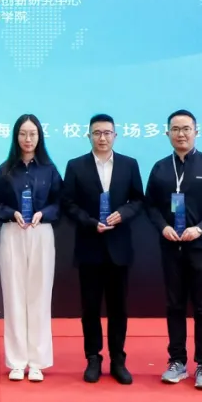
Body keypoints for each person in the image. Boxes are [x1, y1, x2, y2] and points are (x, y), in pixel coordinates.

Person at [145, 109, 202, 390]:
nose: (181, 134)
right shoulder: (160, 168)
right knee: (175, 306)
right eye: (175, 129)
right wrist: (162, 227)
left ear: (196, 131)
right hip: (171, 247)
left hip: (201, 246)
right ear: (167, 133)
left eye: (186, 129)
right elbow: (150, 205)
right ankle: (177, 361)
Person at [61, 114, 144, 385]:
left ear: (115, 136)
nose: (102, 138)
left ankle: (118, 359)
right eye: (97, 133)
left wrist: (123, 214)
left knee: (119, 307)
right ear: (88, 136)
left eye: (107, 133)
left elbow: (138, 200)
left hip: (119, 247)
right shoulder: (75, 166)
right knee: (90, 307)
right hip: (90, 246)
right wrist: (89, 222)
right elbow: (68, 203)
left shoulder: (129, 164)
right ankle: (93, 358)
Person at [0, 114, 62, 382]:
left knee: (39, 296)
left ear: (39, 136)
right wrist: (11, 213)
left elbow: (60, 202)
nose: (28, 139)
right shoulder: (5, 170)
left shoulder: (49, 169)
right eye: (23, 134)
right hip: (13, 232)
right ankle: (17, 360)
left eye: (32, 134)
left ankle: (37, 361)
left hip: (40, 232)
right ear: (16, 137)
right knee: (13, 296)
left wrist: (43, 213)